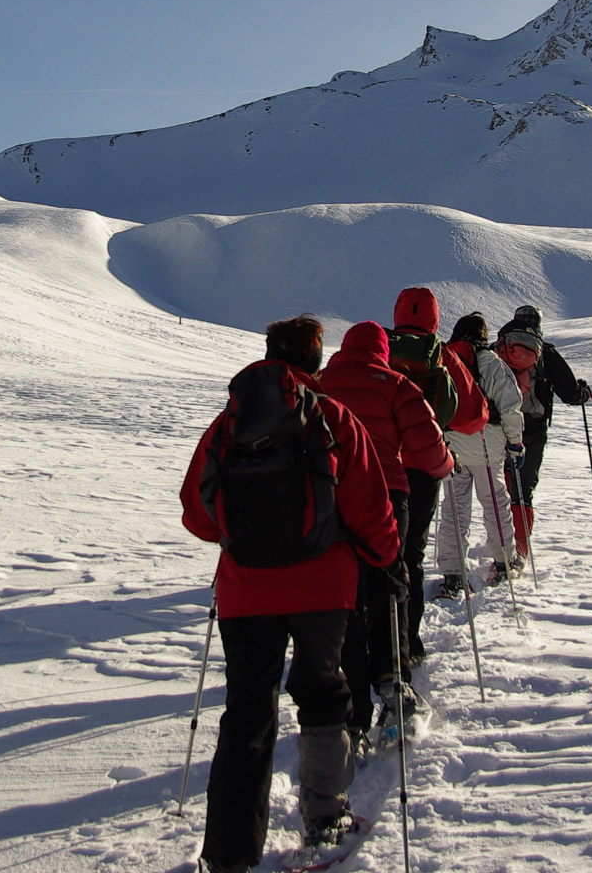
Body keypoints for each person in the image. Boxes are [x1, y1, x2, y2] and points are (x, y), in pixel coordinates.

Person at [182, 315, 401, 873]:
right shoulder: (332, 418)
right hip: (324, 586)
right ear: (316, 361)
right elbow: (369, 507)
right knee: (323, 694)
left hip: (244, 589)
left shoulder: (229, 422)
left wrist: (242, 537)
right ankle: (325, 819)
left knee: (247, 712)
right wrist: (384, 558)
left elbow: (196, 511)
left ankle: (230, 851)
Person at [318, 321, 453, 748]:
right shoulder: (396, 384)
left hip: (331, 495)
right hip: (386, 493)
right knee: (389, 585)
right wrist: (447, 467)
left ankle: (350, 707)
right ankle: (394, 683)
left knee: (345, 596)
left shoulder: (320, 383)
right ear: (383, 351)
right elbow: (430, 448)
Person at [383, 287, 457, 665]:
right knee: (412, 554)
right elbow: (471, 412)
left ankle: (374, 639)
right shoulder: (440, 354)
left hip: (380, 466)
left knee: (377, 553)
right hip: (424, 466)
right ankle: (408, 642)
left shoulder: (383, 346)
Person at [495, 305, 592, 565]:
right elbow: (570, 393)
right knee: (523, 488)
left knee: (500, 486)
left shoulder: (499, 348)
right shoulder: (544, 353)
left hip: (500, 426)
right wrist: (582, 391)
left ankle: (500, 545)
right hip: (533, 430)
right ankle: (520, 549)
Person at [435, 312, 526, 589]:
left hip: (453, 447)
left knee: (454, 509)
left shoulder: (446, 360)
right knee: (496, 505)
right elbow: (510, 405)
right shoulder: (492, 363)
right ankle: (504, 562)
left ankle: (452, 572)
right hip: (489, 447)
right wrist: (515, 442)